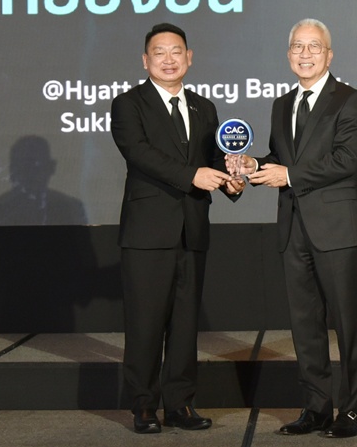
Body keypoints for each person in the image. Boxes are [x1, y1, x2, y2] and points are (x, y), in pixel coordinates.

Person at [228, 18, 357, 438]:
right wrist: (253, 165)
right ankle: (316, 408)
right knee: (305, 326)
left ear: (329, 54)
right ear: (288, 54)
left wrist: (288, 175)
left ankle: (352, 412)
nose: (305, 54)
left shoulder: (350, 100)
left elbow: (345, 160)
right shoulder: (281, 104)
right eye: (297, 47)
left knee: (347, 325)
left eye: (314, 47)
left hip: (337, 230)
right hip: (293, 228)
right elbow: (280, 158)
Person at [110, 22, 243, 434]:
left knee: (185, 326)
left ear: (189, 57)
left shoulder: (204, 107)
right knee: (145, 323)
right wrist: (192, 176)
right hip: (148, 233)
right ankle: (144, 406)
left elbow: (214, 161)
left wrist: (233, 181)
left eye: (176, 52)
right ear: (145, 60)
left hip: (192, 229)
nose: (169, 60)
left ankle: (181, 404)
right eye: (159, 52)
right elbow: (139, 154)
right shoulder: (128, 104)